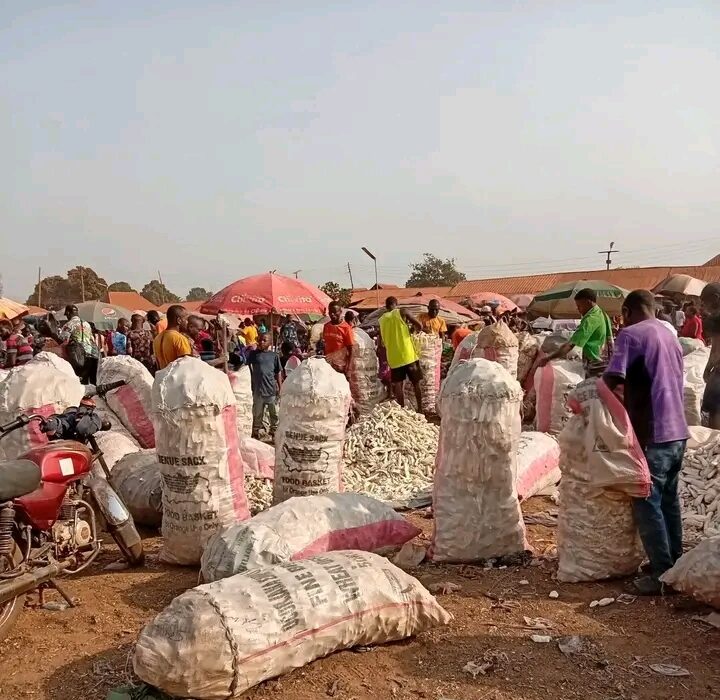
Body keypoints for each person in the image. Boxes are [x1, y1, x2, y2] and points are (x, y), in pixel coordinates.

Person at [603, 289, 689, 595]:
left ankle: (661, 573)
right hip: (678, 431)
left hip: (653, 432)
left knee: (646, 500)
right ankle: (674, 562)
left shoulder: (630, 335)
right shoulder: (670, 336)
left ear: (627, 312)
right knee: (668, 500)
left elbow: (613, 380)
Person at [539, 288, 613, 376]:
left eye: (579, 306)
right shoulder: (602, 314)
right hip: (607, 362)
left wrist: (548, 358)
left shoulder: (590, 319)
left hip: (597, 366)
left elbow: (569, 345)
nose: (578, 309)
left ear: (588, 302)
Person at [378, 296, 423, 410]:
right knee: (416, 383)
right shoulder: (402, 312)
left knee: (398, 385)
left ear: (386, 306)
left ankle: (402, 410)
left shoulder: (381, 320)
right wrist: (412, 330)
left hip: (393, 358)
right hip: (408, 355)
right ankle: (420, 409)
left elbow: (381, 342)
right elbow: (419, 325)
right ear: (396, 304)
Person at [247, 333, 282, 438]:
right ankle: (256, 430)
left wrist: (280, 387)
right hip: (258, 389)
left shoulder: (274, 356)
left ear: (270, 343)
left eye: (264, 340)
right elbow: (247, 367)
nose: (261, 342)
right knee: (257, 412)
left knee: (274, 413)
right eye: (260, 340)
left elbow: (278, 372)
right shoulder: (254, 354)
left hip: (270, 389)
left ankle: (274, 430)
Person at [59, 305, 100, 384]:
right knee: (91, 382)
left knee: (79, 381)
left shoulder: (69, 324)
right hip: (92, 355)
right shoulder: (87, 324)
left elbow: (62, 339)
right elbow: (91, 338)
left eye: (66, 315)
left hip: (79, 356)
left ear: (68, 313)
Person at [700, 282, 720, 429]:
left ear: (715, 298)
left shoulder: (716, 318)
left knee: (714, 410)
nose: (704, 307)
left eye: (705, 302)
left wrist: (708, 369)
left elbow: (716, 349)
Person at [153, 305, 192, 370]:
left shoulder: (157, 338)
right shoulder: (180, 339)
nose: (187, 322)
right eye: (186, 319)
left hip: (163, 375)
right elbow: (186, 365)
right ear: (179, 320)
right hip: (177, 376)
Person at [323, 301, 355, 374]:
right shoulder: (326, 326)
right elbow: (325, 344)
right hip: (328, 365)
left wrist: (349, 369)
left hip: (340, 367)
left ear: (340, 312)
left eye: (335, 312)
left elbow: (351, 350)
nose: (332, 314)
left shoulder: (346, 328)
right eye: (330, 312)